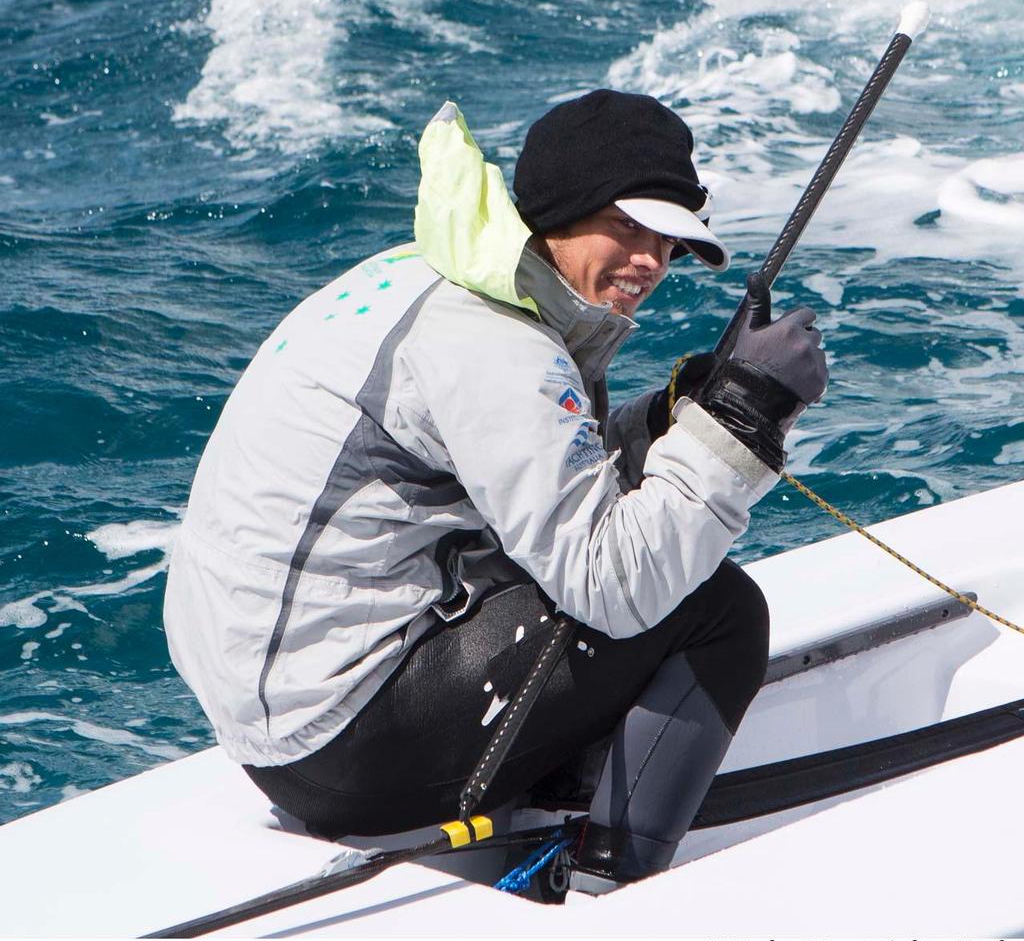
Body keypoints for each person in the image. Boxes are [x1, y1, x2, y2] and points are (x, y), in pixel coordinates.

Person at [164, 89, 827, 887]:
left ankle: (556, 782)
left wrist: (665, 422)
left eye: (669, 239)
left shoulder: (432, 275)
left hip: (274, 713)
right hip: (340, 747)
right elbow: (613, 584)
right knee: (714, 609)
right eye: (628, 225)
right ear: (563, 207)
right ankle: (611, 888)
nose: (650, 260)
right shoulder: (496, 345)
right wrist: (741, 424)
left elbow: (524, 476)